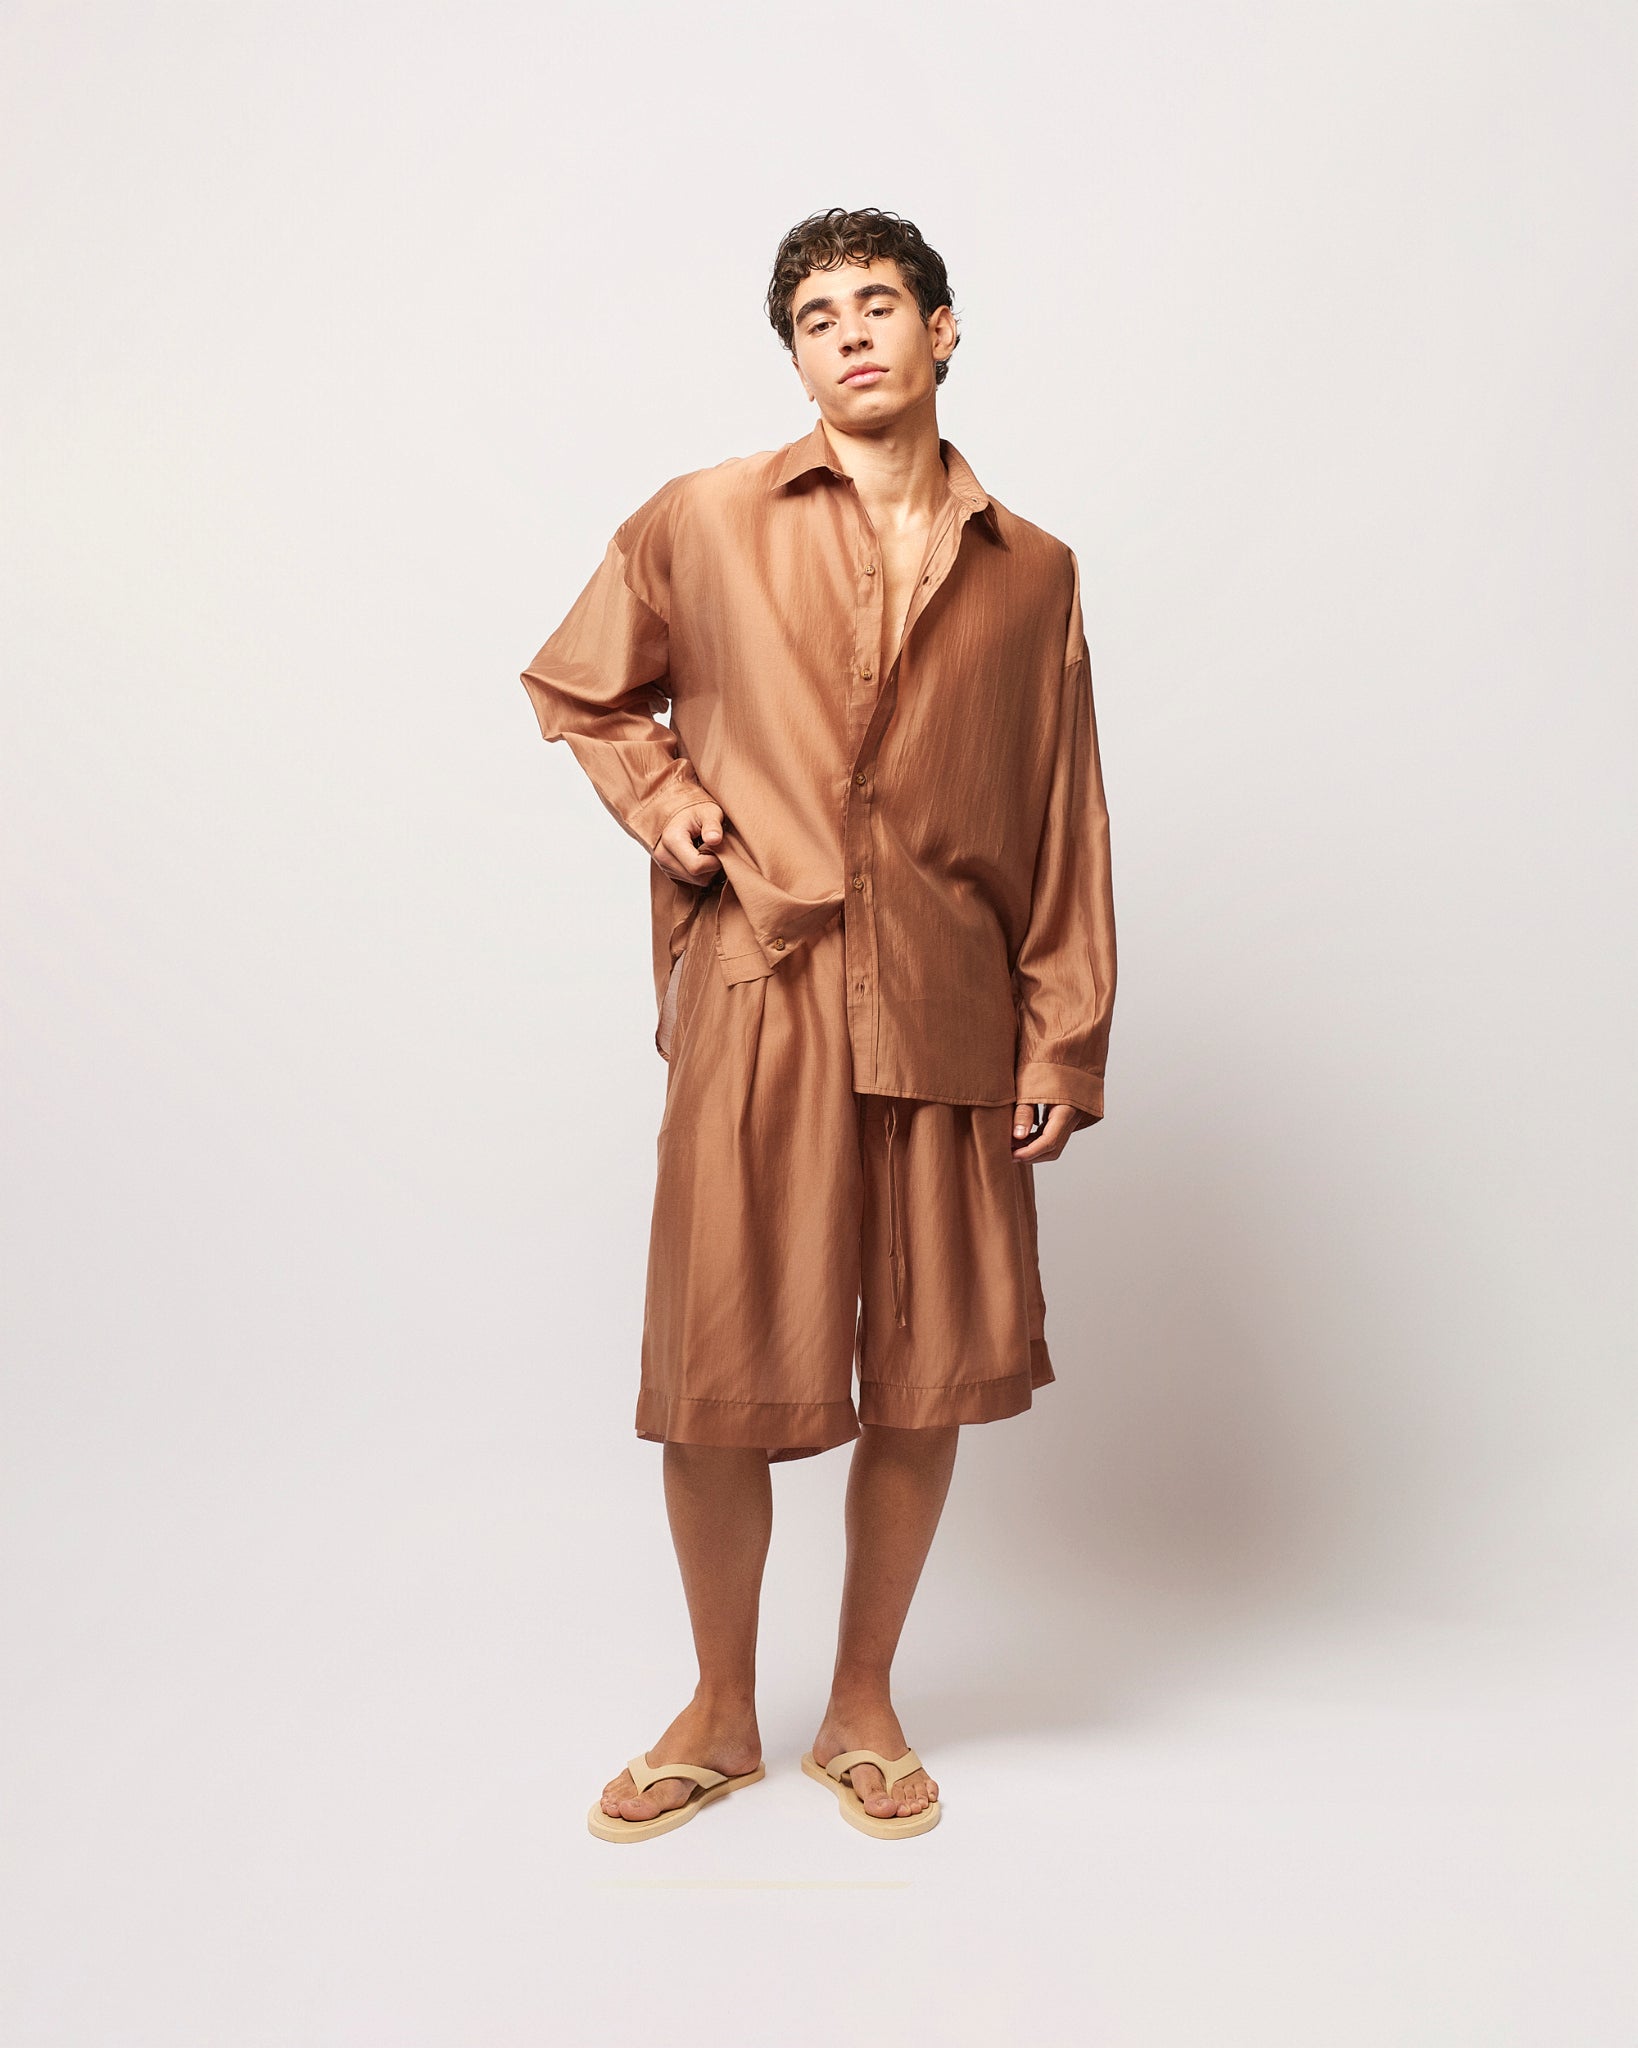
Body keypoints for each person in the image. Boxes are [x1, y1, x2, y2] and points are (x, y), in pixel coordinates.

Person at [519, 206, 1116, 1842]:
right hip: (760, 989)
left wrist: (1061, 1033)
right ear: (794, 356)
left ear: (940, 330)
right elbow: (583, 685)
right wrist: (663, 799)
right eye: (814, 317)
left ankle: (862, 1704)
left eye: (877, 304)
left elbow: (1062, 809)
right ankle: (718, 1710)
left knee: (919, 1372)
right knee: (717, 1361)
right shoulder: (703, 518)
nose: (849, 333)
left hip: (949, 1006)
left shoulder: (1035, 570)